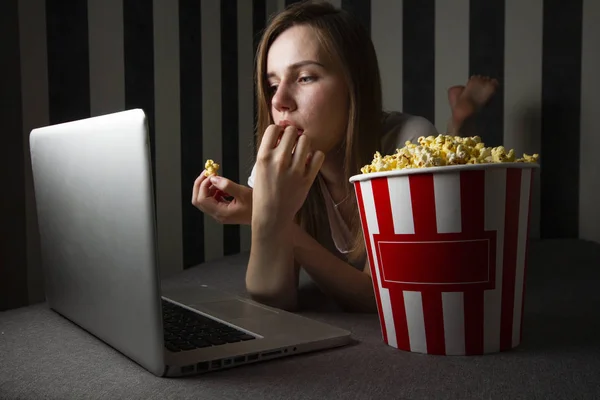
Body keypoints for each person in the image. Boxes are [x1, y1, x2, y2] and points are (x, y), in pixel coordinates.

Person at [192, 0, 498, 313]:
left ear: (354, 85)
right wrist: (266, 215)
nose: (280, 101)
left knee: (458, 174)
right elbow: (273, 298)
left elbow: (384, 296)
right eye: (272, 84)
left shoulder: (409, 143)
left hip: (428, 155)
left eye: (305, 77)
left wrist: (268, 215)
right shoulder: (279, 164)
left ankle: (462, 120)